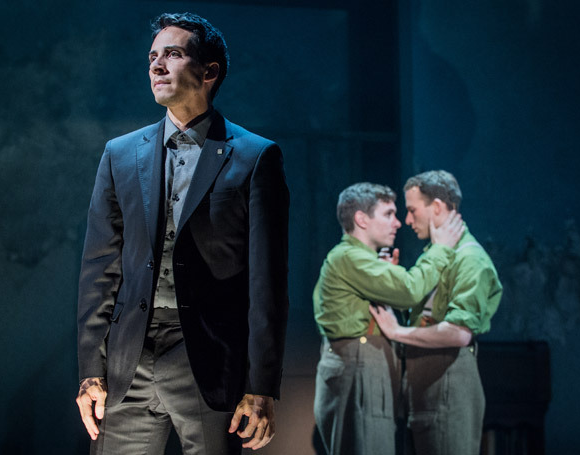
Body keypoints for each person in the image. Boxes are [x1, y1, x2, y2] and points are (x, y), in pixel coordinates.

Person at [75, 12, 289, 454]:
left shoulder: (254, 156)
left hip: (208, 359)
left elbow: (267, 282)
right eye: (152, 56)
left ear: (209, 71)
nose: (156, 65)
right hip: (127, 359)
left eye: (172, 54)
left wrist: (261, 384)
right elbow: (100, 267)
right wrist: (90, 369)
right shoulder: (119, 154)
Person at [312, 182, 463, 455]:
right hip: (360, 365)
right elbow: (409, 290)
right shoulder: (349, 257)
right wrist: (441, 249)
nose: (397, 223)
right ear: (361, 219)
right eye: (388, 214)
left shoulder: (356, 259)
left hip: (366, 363)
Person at [370, 170, 502, 455]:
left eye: (412, 210)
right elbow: (427, 313)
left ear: (438, 207)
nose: (406, 220)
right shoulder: (438, 253)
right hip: (426, 386)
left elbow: (458, 333)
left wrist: (396, 332)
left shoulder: (470, 259)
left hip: (448, 384)